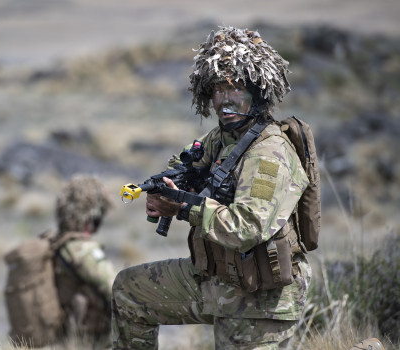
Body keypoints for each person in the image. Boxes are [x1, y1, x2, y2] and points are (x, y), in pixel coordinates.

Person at [112, 26, 312, 349]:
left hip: (261, 298)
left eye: (235, 88)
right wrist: (168, 186)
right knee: (129, 291)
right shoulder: (222, 140)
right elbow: (187, 164)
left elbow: (247, 227)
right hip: (218, 279)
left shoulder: (269, 152)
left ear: (257, 92)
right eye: (217, 89)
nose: (224, 99)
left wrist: (181, 206)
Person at [52, 175, 117, 346]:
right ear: (89, 219)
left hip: (64, 337)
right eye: (97, 221)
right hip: (87, 340)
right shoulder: (83, 250)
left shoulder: (57, 243)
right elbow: (115, 289)